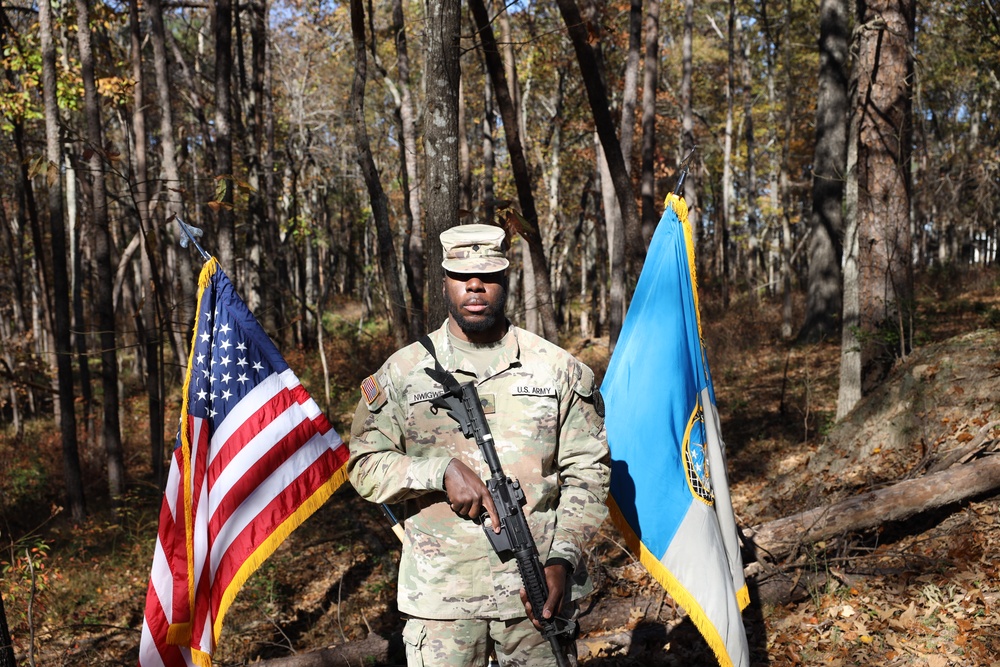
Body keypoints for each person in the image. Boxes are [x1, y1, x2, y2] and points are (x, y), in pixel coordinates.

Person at [348, 223, 610, 666]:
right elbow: (364, 464)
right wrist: (439, 472)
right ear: (445, 281)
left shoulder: (556, 369)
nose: (475, 286)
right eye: (461, 275)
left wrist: (562, 558)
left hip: (537, 597)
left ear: (506, 280)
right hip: (444, 605)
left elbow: (590, 471)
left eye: (488, 276)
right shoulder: (404, 372)